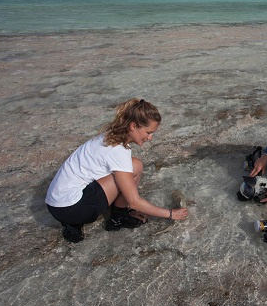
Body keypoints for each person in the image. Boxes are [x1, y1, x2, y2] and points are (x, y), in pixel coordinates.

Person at [45, 98, 189, 243]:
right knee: (135, 167)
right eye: (148, 132)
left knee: (130, 166)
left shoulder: (109, 136)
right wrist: (170, 214)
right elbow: (134, 202)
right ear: (133, 126)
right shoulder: (118, 152)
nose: (150, 138)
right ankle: (117, 218)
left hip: (55, 205)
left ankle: (77, 222)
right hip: (71, 210)